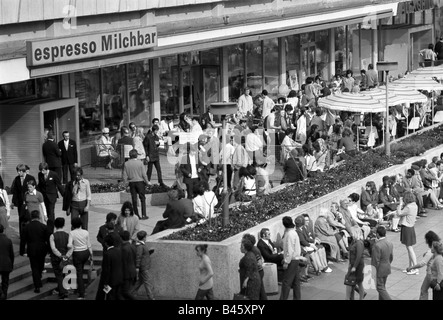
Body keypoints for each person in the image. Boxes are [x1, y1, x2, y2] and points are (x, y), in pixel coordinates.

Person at [406, 230, 441, 300]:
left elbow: (422, 263)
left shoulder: (431, 251)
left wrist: (411, 267)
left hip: (430, 274)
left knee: (423, 290)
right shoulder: (439, 246)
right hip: (437, 273)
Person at [280, 216, 307, 300]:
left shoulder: (289, 234)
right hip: (295, 260)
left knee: (286, 282)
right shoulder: (293, 232)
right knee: (296, 282)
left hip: (291, 260)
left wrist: (286, 262)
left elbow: (290, 250)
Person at [22, 210, 50, 293]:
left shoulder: (26, 227)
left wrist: (22, 251)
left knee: (34, 267)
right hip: (42, 249)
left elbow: (23, 241)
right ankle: (39, 278)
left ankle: (37, 285)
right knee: (40, 265)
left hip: (31, 249)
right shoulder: (43, 227)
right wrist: (49, 250)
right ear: (39, 217)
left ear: (31, 217)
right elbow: (48, 239)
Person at [11, 164, 35, 255]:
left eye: (20, 171)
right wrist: (13, 202)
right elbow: (15, 192)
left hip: (29, 203)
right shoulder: (17, 179)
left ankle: (30, 238)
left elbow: (34, 190)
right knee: (21, 220)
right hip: (20, 204)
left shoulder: (30, 178)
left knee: (29, 220)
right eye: (17, 171)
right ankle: (22, 238)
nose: (18, 172)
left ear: (24, 171)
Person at [68, 217, 93, 300]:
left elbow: (69, 245)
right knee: (80, 270)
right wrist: (91, 255)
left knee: (79, 273)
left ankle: (81, 293)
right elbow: (88, 244)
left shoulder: (72, 233)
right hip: (85, 253)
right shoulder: (86, 232)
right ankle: (80, 289)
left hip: (77, 253)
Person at [49, 217, 72, 300]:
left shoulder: (52, 236)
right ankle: (61, 289)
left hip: (56, 258)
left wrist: (59, 255)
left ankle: (63, 292)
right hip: (65, 258)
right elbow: (71, 247)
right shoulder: (68, 235)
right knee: (63, 274)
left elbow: (53, 248)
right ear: (64, 225)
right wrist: (66, 256)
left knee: (58, 275)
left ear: (55, 225)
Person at [122, 149, 149, 220]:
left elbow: (124, 175)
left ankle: (136, 215)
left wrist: (125, 183)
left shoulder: (126, 163)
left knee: (134, 199)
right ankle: (144, 214)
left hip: (132, 183)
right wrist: (147, 182)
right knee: (142, 198)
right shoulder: (140, 163)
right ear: (136, 155)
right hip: (140, 182)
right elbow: (144, 174)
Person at [37, 162, 64, 233]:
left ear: (46, 169)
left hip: (52, 196)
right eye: (41, 170)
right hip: (44, 196)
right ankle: (46, 227)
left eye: (43, 170)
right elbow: (40, 185)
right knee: (45, 212)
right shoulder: (40, 175)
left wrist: (64, 195)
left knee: (51, 212)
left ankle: (50, 230)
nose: (42, 172)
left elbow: (59, 185)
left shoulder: (54, 174)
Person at [397, 191, 418, 275]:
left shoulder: (408, 207)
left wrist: (400, 204)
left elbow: (399, 213)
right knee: (409, 248)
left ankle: (415, 267)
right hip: (411, 227)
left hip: (406, 228)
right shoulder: (414, 205)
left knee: (409, 248)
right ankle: (410, 267)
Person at [371, 226, 394, 300]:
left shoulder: (377, 245)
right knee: (383, 287)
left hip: (380, 269)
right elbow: (391, 257)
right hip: (387, 267)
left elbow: (375, 261)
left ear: (377, 234)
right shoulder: (390, 243)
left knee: (380, 288)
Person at [242, 233, 267, 300]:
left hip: (258, 272)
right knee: (261, 291)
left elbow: (260, 262)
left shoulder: (254, 250)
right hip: (257, 272)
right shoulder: (252, 249)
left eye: (244, 240)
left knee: (261, 291)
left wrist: (252, 264)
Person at [132, 230, 155, 300]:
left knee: (140, 281)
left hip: (143, 266)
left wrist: (149, 252)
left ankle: (132, 293)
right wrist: (137, 267)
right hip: (143, 267)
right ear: (144, 237)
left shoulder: (140, 245)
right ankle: (151, 297)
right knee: (147, 282)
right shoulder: (140, 246)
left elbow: (142, 255)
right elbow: (138, 257)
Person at [345, 227, 366, 300]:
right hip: (354, 265)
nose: (351, 234)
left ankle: (359, 298)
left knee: (354, 282)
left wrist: (354, 267)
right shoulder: (354, 241)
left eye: (352, 232)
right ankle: (355, 297)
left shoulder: (359, 243)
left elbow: (359, 256)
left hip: (358, 266)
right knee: (355, 282)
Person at [101, 235, 124, 300]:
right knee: (118, 295)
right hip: (119, 278)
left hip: (110, 280)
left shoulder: (107, 254)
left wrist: (105, 282)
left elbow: (106, 270)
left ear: (106, 243)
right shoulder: (119, 251)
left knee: (110, 296)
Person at [119, 230, 137, 300]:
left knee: (125, 292)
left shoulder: (123, 249)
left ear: (121, 238)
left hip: (126, 273)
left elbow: (123, 262)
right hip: (132, 271)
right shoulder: (132, 246)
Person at [0, 224, 14, 300]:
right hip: (6, 264)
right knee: (5, 282)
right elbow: (11, 254)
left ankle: (1, 293)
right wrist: (11, 264)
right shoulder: (8, 240)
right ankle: (4, 296)